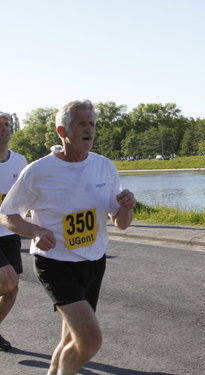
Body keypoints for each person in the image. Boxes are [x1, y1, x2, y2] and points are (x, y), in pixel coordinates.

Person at [0, 100, 136, 375]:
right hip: (55, 264)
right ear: (63, 130)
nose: (90, 129)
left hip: (93, 262)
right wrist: (36, 231)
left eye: (93, 124)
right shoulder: (38, 171)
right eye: (82, 124)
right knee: (89, 341)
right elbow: (8, 216)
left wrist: (127, 207)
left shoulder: (105, 167)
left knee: (70, 340)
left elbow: (121, 223)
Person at [0, 111, 27, 351]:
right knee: (7, 281)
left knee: (12, 289)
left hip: (9, 232)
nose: (3, 128)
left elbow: (30, 195)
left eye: (7, 124)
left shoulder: (20, 161)